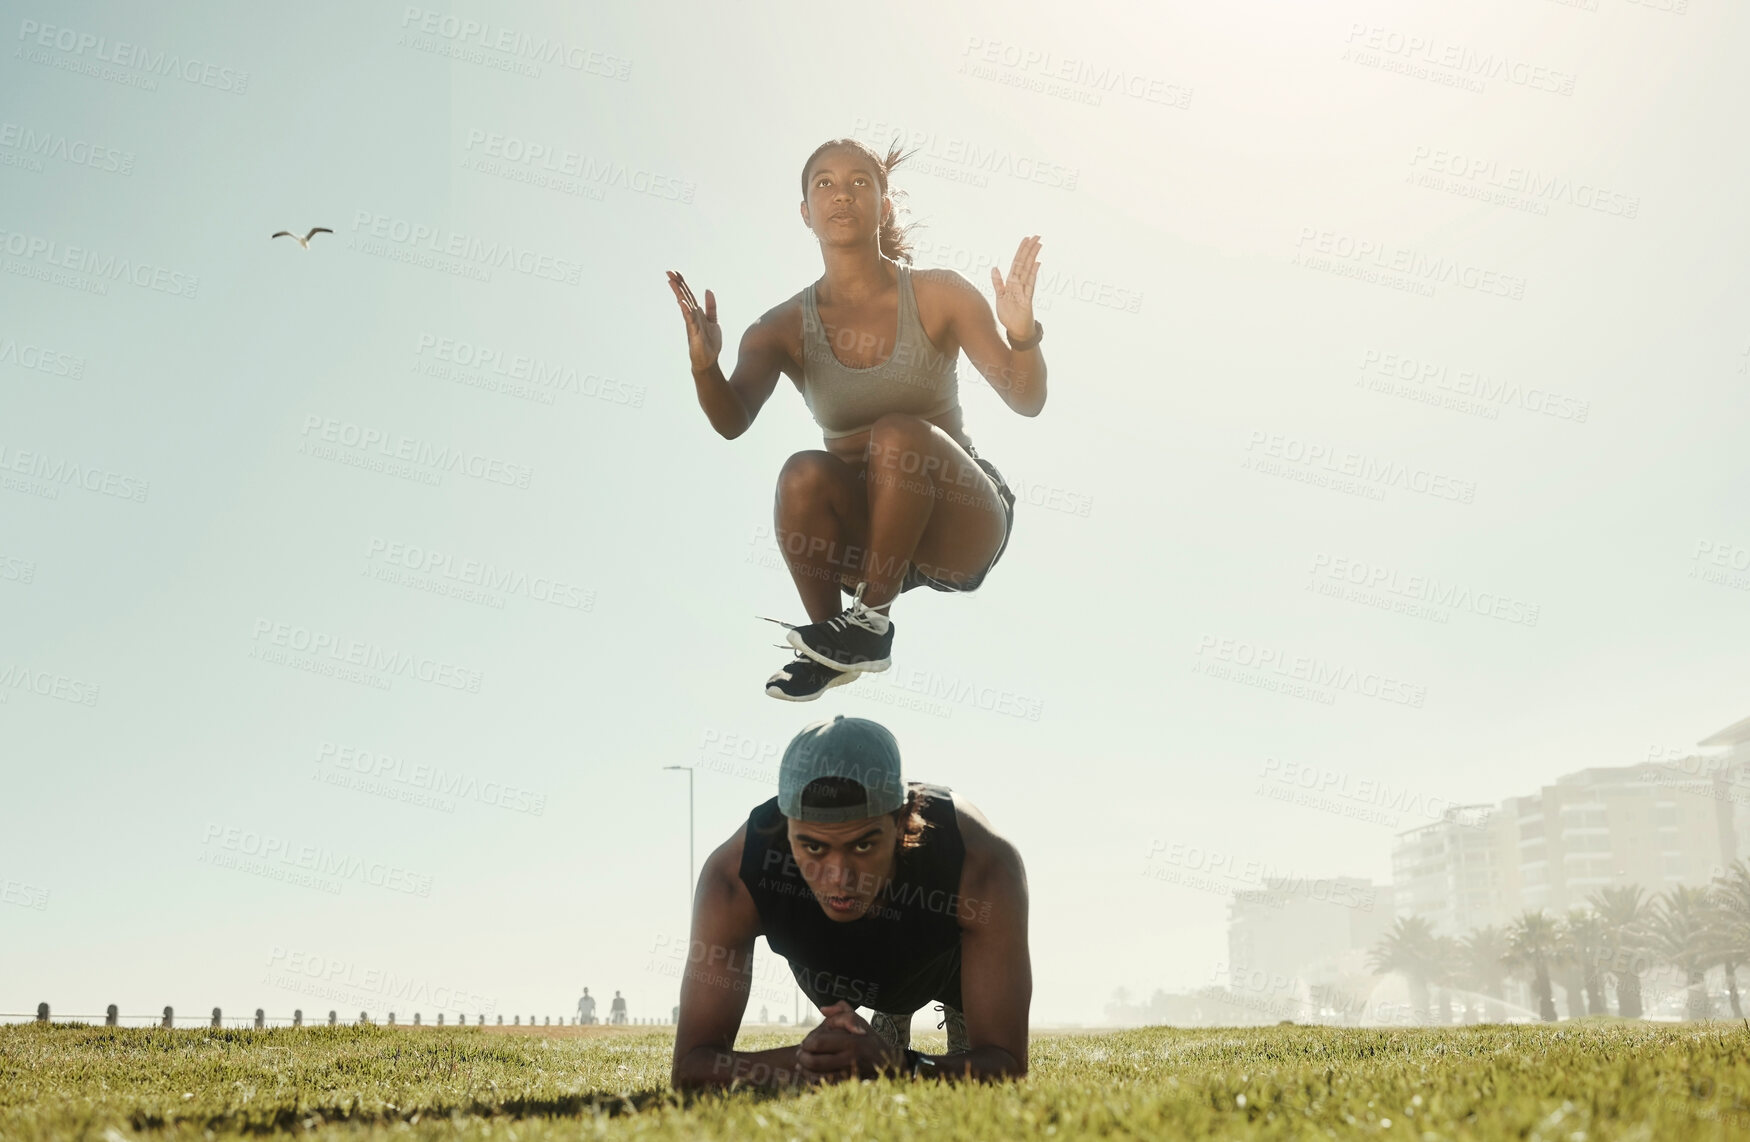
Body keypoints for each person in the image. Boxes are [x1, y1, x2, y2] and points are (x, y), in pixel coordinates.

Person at [666, 136, 1047, 702]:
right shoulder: (780, 328)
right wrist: (704, 368)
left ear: (883, 206)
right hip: (866, 543)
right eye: (824, 184)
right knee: (801, 471)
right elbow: (731, 420)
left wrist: (1021, 333)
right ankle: (828, 646)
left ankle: (868, 624)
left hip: (959, 522)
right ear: (805, 213)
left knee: (896, 433)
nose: (841, 195)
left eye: (859, 183)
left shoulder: (938, 293)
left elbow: (1025, 399)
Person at [669, 715, 1030, 1089]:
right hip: (830, 970)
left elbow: (1007, 1064)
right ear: (785, 828)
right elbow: (691, 1068)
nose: (840, 877)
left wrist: (901, 1066)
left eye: (863, 844)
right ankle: (890, 1015)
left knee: (969, 1053)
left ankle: (925, 1012)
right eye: (813, 847)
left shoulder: (978, 857)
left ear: (905, 820)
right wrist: (816, 1060)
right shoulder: (737, 873)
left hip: (939, 966)